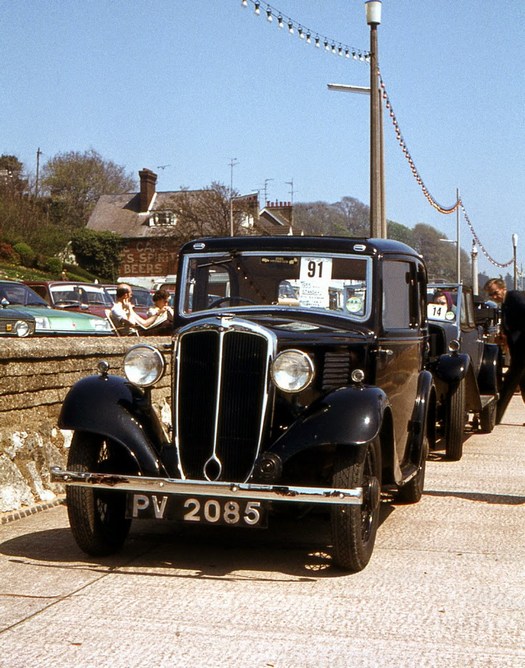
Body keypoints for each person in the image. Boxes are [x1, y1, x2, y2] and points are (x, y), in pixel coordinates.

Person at [484, 278, 525, 423]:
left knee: (509, 382)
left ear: (503, 288)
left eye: (495, 293)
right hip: (517, 348)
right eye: (491, 295)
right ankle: (496, 415)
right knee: (523, 382)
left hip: (523, 347)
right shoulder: (506, 303)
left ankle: (495, 416)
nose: (494, 297)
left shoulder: (515, 297)